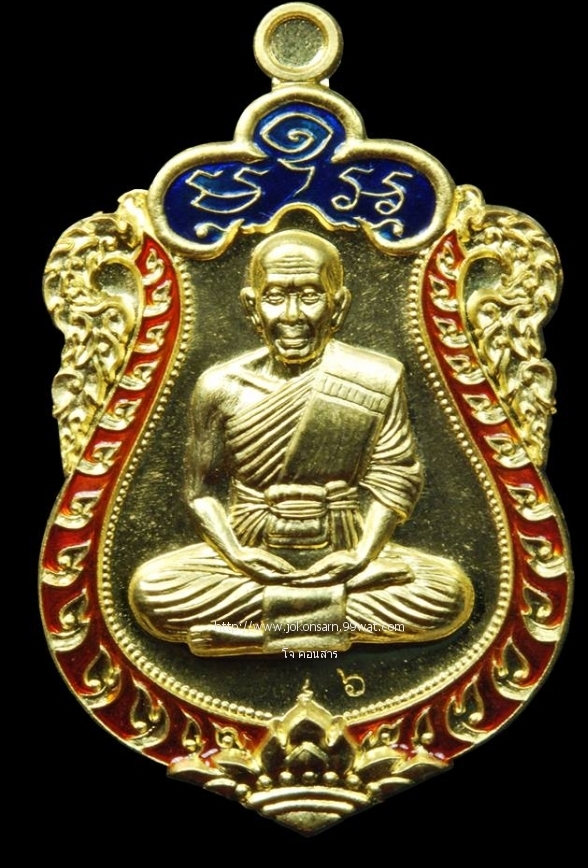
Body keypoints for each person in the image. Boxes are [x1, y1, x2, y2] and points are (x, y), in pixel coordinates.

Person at [129, 230, 473, 655]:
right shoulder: (220, 386)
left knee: (449, 593)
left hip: (345, 552)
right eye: (275, 297)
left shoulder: (374, 377)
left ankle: (256, 637)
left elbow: (395, 479)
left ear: (337, 305)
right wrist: (236, 555)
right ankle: (321, 628)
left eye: (310, 296)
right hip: (251, 557)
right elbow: (201, 493)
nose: (292, 316)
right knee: (150, 590)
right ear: (252, 307)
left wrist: (362, 556)